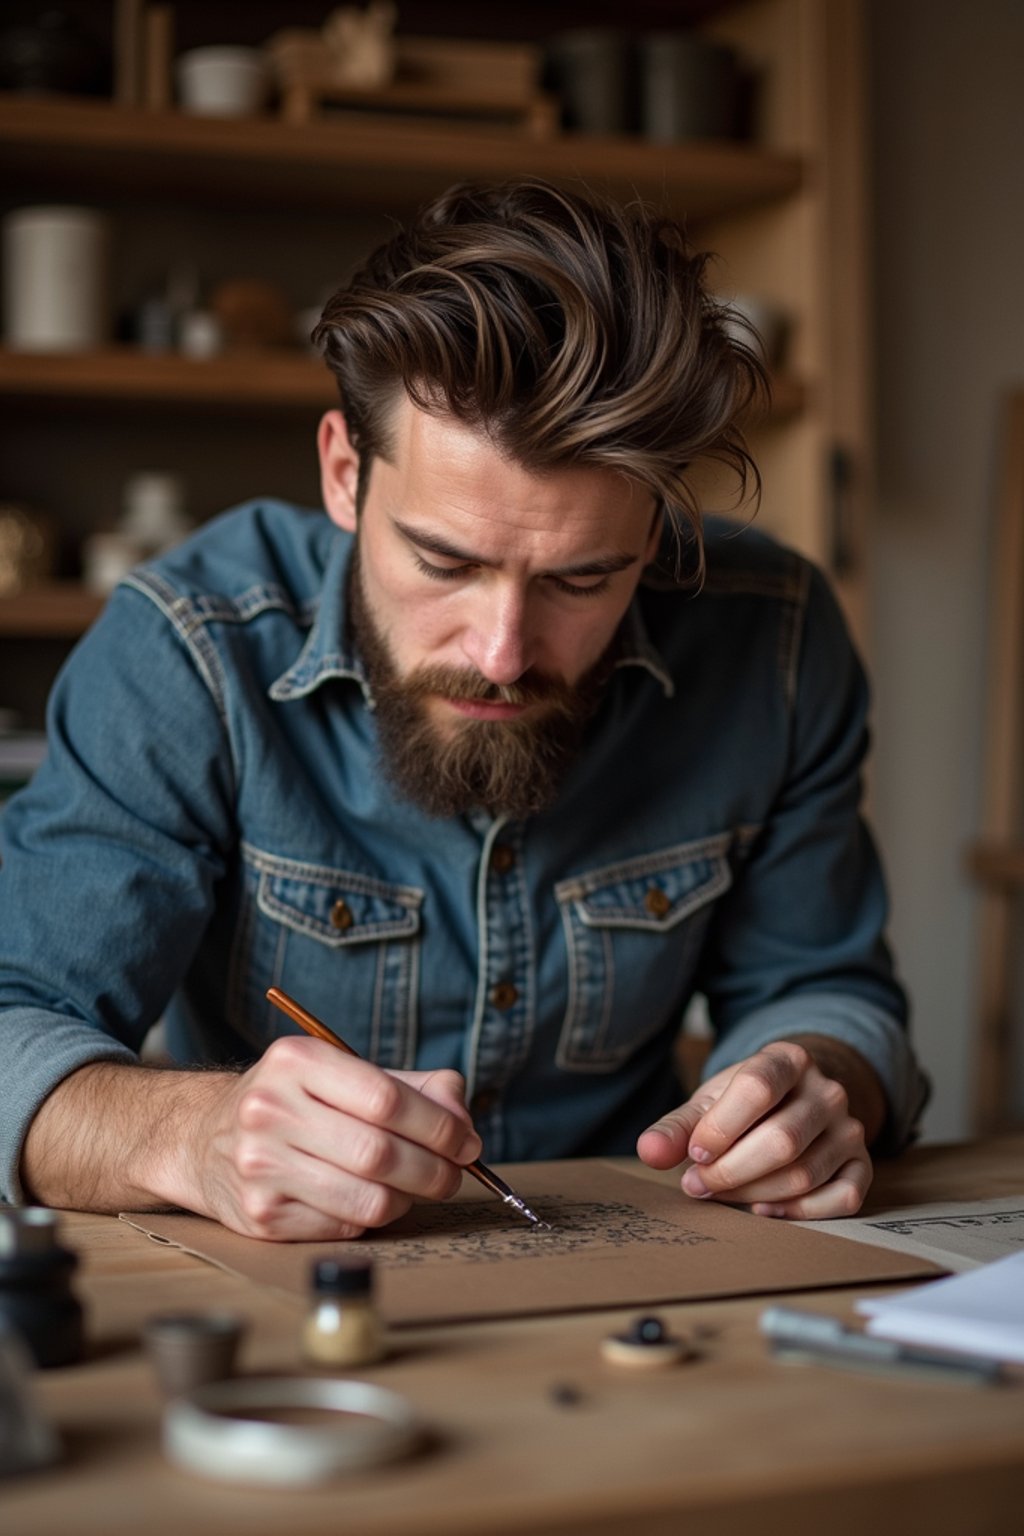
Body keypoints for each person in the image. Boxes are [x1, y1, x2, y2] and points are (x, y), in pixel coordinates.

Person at [0, 180, 928, 1240]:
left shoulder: (775, 637)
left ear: (662, 530)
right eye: (444, 561)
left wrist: (816, 1083)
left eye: (582, 580)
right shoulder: (191, 648)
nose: (501, 653)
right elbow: (12, 1022)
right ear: (345, 476)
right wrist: (186, 1132)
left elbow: (827, 985)